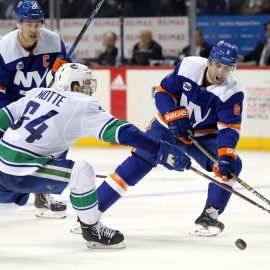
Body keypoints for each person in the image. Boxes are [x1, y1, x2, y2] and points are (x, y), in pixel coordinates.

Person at [0, 62, 191, 248]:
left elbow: (2, 118)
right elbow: (123, 132)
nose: (90, 91)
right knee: (82, 171)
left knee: (11, 204)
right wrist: (159, 148)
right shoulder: (81, 103)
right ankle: (92, 229)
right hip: (20, 170)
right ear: (74, 86)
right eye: (86, 85)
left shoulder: (36, 92)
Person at [71, 40, 244, 236]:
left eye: (227, 68)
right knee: (139, 163)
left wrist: (226, 155)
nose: (221, 73)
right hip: (166, 127)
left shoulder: (233, 91)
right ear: (210, 61)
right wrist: (173, 114)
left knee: (231, 165)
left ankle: (210, 215)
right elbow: (163, 93)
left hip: (201, 137)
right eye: (218, 65)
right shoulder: (189, 66)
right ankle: (90, 215)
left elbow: (229, 129)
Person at [0, 0, 70, 218]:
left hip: (38, 103)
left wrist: (63, 67)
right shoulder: (4, 49)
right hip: (9, 103)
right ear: (18, 23)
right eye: (28, 24)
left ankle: (43, 192)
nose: (34, 29)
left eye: (37, 24)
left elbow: (66, 72)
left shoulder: (54, 41)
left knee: (59, 135)